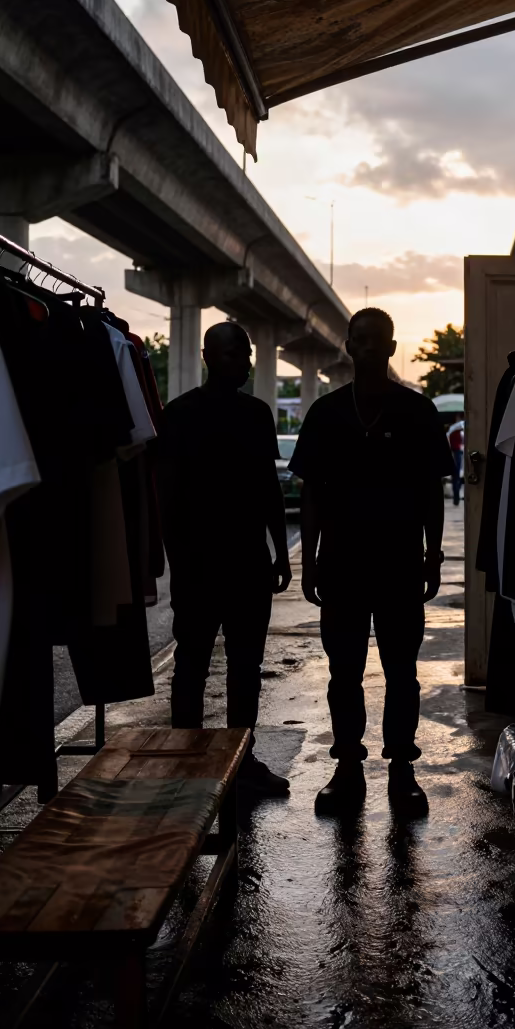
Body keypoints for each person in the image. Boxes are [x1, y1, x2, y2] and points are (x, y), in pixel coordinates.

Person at [289, 308, 453, 816]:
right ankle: (348, 766)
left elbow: (433, 491)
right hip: (341, 562)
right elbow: (312, 493)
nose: (365, 348)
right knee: (344, 673)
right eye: (358, 340)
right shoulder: (326, 412)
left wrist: (433, 555)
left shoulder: (418, 411)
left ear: (390, 346)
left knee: (402, 671)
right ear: (347, 345)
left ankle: (402, 768)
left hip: (400, 562)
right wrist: (310, 562)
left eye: (375, 340)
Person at [156, 321, 292, 795]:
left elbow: (267, 487)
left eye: (248, 354)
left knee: (239, 664)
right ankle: (195, 757)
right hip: (209, 562)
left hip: (242, 560)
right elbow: (166, 498)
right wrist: (175, 558)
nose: (246, 363)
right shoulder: (179, 416)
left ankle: (235, 758)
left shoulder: (251, 414)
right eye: (236, 354)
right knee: (199, 661)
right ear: (210, 357)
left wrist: (280, 550)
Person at [447, 413, 464, 505]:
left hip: (456, 452)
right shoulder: (456, 432)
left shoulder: (453, 431)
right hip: (457, 452)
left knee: (456, 476)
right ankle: (456, 496)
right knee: (457, 475)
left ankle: (456, 497)